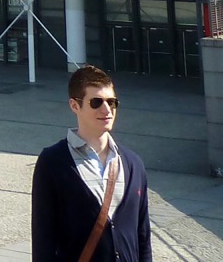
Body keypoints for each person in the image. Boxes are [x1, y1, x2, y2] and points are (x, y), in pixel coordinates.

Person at [32, 64, 152, 262]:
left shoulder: (133, 163)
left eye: (112, 102)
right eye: (96, 102)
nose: (107, 109)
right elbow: (43, 239)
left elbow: (143, 237)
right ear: (74, 105)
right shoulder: (53, 162)